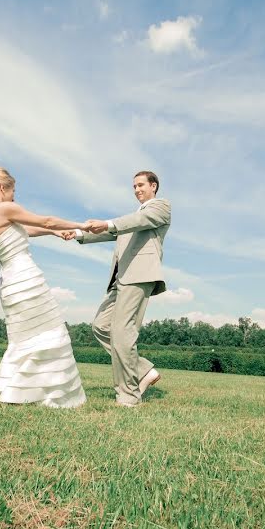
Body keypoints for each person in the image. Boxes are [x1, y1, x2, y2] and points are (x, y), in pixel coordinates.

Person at [0, 165, 89, 408]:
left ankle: (16, 391)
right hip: (27, 279)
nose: (14, 196)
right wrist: (81, 226)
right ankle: (45, 394)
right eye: (13, 191)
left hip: (9, 285)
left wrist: (55, 233)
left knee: (24, 338)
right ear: (2, 187)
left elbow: (28, 229)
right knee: (50, 332)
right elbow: (46, 220)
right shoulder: (5, 208)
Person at [61, 171, 171, 407]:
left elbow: (130, 223)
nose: (137, 189)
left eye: (141, 185)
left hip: (139, 276)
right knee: (101, 326)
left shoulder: (160, 208)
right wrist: (79, 234)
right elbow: (113, 232)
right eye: (134, 186)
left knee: (123, 333)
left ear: (153, 186)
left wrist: (108, 223)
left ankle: (128, 397)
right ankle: (143, 370)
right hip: (120, 279)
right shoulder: (131, 219)